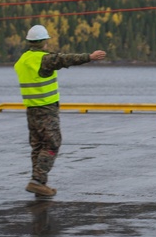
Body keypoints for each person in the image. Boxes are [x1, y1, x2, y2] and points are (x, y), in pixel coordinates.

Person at [14, 24, 106, 198]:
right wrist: (90, 57)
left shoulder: (22, 60)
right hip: (46, 110)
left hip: (31, 110)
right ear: (44, 42)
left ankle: (40, 183)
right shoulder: (44, 59)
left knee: (38, 146)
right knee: (52, 144)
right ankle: (37, 182)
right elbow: (65, 59)